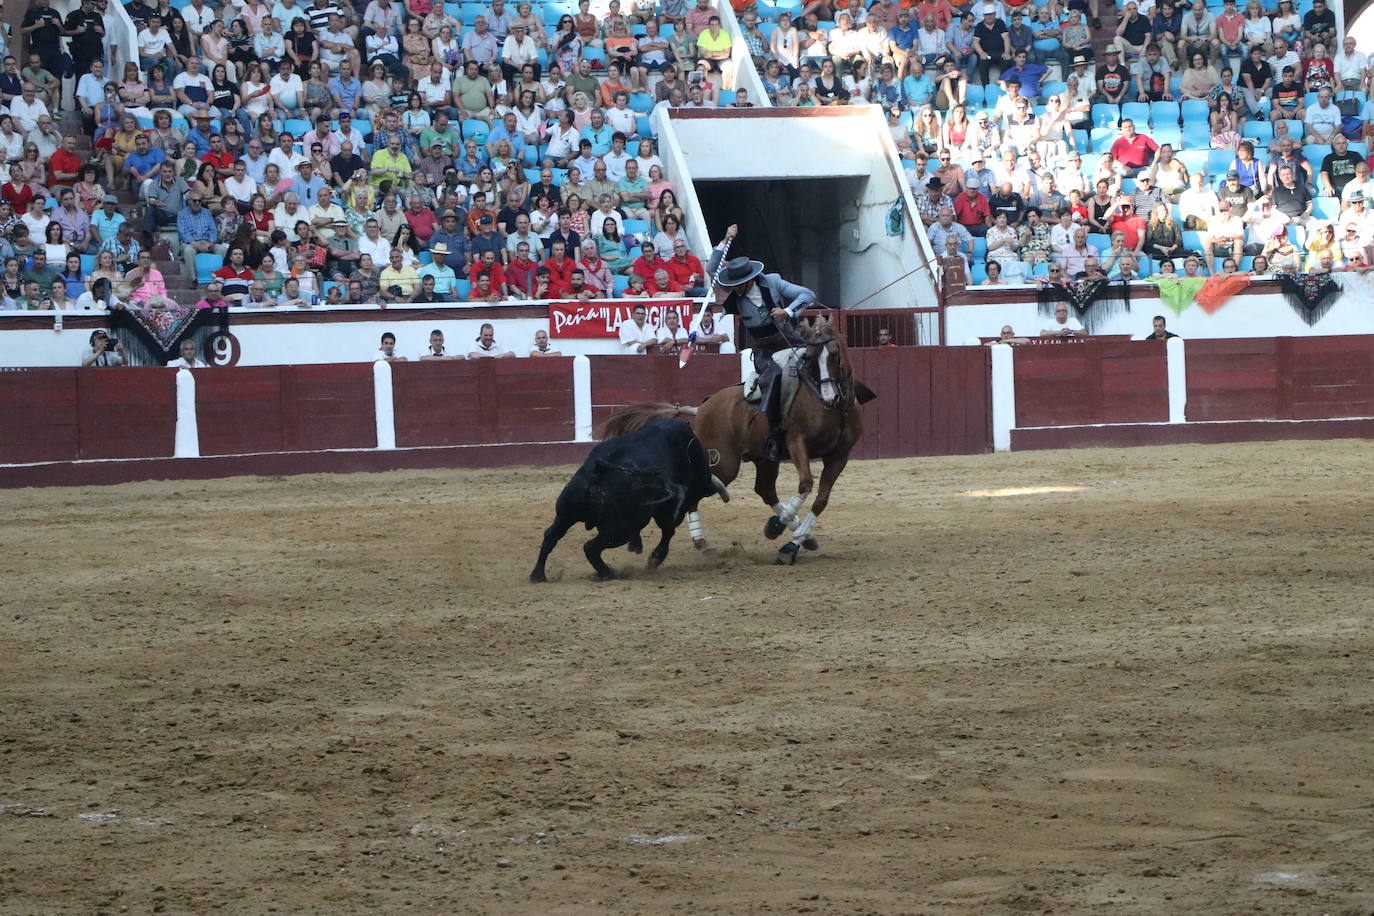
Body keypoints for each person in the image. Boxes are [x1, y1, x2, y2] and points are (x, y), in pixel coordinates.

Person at [707, 224, 817, 459]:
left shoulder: (773, 282)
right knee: (773, 378)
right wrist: (725, 240)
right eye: (733, 285)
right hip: (764, 348)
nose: (734, 289)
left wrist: (787, 312)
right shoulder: (734, 292)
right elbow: (711, 268)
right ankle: (774, 429)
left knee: (819, 364)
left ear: (750, 279)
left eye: (739, 284)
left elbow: (808, 294)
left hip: (789, 339)